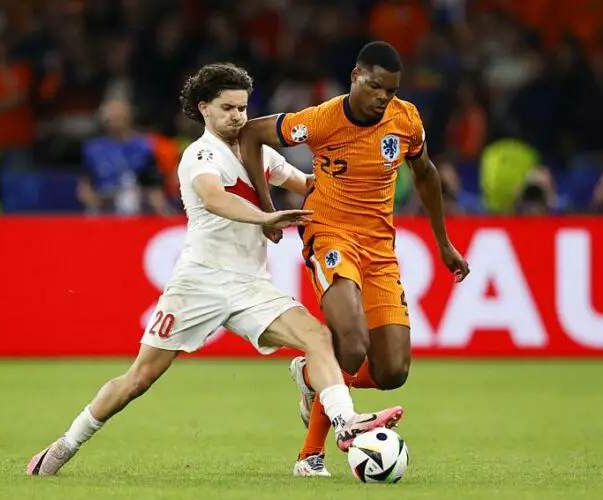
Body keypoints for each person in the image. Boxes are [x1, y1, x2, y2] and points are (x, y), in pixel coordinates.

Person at [26, 63, 403, 477]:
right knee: (139, 378)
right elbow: (213, 198)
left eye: (243, 108)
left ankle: (344, 424)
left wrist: (354, 178)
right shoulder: (200, 155)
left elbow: (307, 182)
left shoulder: (259, 153)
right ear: (204, 108)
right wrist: (264, 218)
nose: (238, 117)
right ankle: (64, 445)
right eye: (227, 108)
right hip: (199, 283)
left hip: (250, 286)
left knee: (320, 337)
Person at [240, 41, 469, 477]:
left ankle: (312, 377)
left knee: (392, 369)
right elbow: (251, 134)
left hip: (380, 249)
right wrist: (265, 210)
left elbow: (427, 173)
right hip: (329, 234)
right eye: (377, 86)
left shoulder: (406, 119)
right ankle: (311, 456)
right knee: (351, 341)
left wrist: (443, 243)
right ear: (356, 77)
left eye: (392, 89)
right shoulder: (323, 120)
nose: (385, 97)